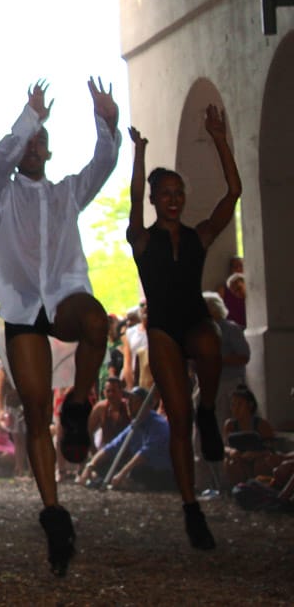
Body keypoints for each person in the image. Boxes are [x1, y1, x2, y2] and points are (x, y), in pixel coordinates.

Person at [0, 79, 119, 576]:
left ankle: (80, 401)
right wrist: (28, 116)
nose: (33, 148)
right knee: (37, 413)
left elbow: (103, 165)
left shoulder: (66, 195)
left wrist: (107, 122)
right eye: (28, 143)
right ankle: (54, 514)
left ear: (50, 150)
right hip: (21, 309)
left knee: (97, 320)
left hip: (62, 297)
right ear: (20, 152)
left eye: (41, 141)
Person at [127, 103, 240, 550]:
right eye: (166, 193)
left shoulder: (199, 236)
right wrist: (139, 155)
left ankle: (209, 409)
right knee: (178, 417)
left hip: (193, 317)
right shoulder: (143, 239)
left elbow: (233, 192)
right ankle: (191, 507)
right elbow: (134, 199)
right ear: (157, 201)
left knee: (209, 347)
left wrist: (218, 139)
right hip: (162, 328)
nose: (173, 198)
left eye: (178, 191)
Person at [76, 387, 174, 492]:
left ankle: (130, 483)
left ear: (145, 405)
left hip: (160, 471)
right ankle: (112, 480)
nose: (128, 404)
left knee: (136, 471)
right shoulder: (135, 424)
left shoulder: (159, 425)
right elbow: (111, 447)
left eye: (133, 401)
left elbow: (144, 455)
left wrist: (121, 474)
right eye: (128, 401)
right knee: (103, 463)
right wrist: (90, 466)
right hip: (142, 467)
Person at [203, 292, 249, 422]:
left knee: (225, 421)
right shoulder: (202, 330)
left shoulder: (230, 329)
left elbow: (244, 357)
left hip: (228, 382)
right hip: (205, 383)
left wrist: (217, 360)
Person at [222, 384, 278, 487]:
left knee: (261, 464)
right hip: (239, 458)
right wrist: (231, 451)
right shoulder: (230, 424)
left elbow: (271, 448)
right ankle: (240, 490)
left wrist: (256, 454)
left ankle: (260, 490)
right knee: (231, 463)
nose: (235, 408)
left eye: (239, 404)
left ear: (250, 405)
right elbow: (224, 446)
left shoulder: (261, 424)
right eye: (233, 405)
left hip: (258, 457)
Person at [87, 376, 132, 452]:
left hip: (125, 450)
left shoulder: (128, 407)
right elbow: (88, 430)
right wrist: (94, 451)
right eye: (108, 391)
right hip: (106, 450)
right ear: (104, 392)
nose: (111, 394)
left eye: (114, 391)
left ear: (121, 392)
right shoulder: (100, 408)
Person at [219, 258, 246, 330]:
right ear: (231, 270)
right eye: (235, 267)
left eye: (241, 266)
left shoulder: (252, 288)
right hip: (231, 328)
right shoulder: (223, 289)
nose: (238, 269)